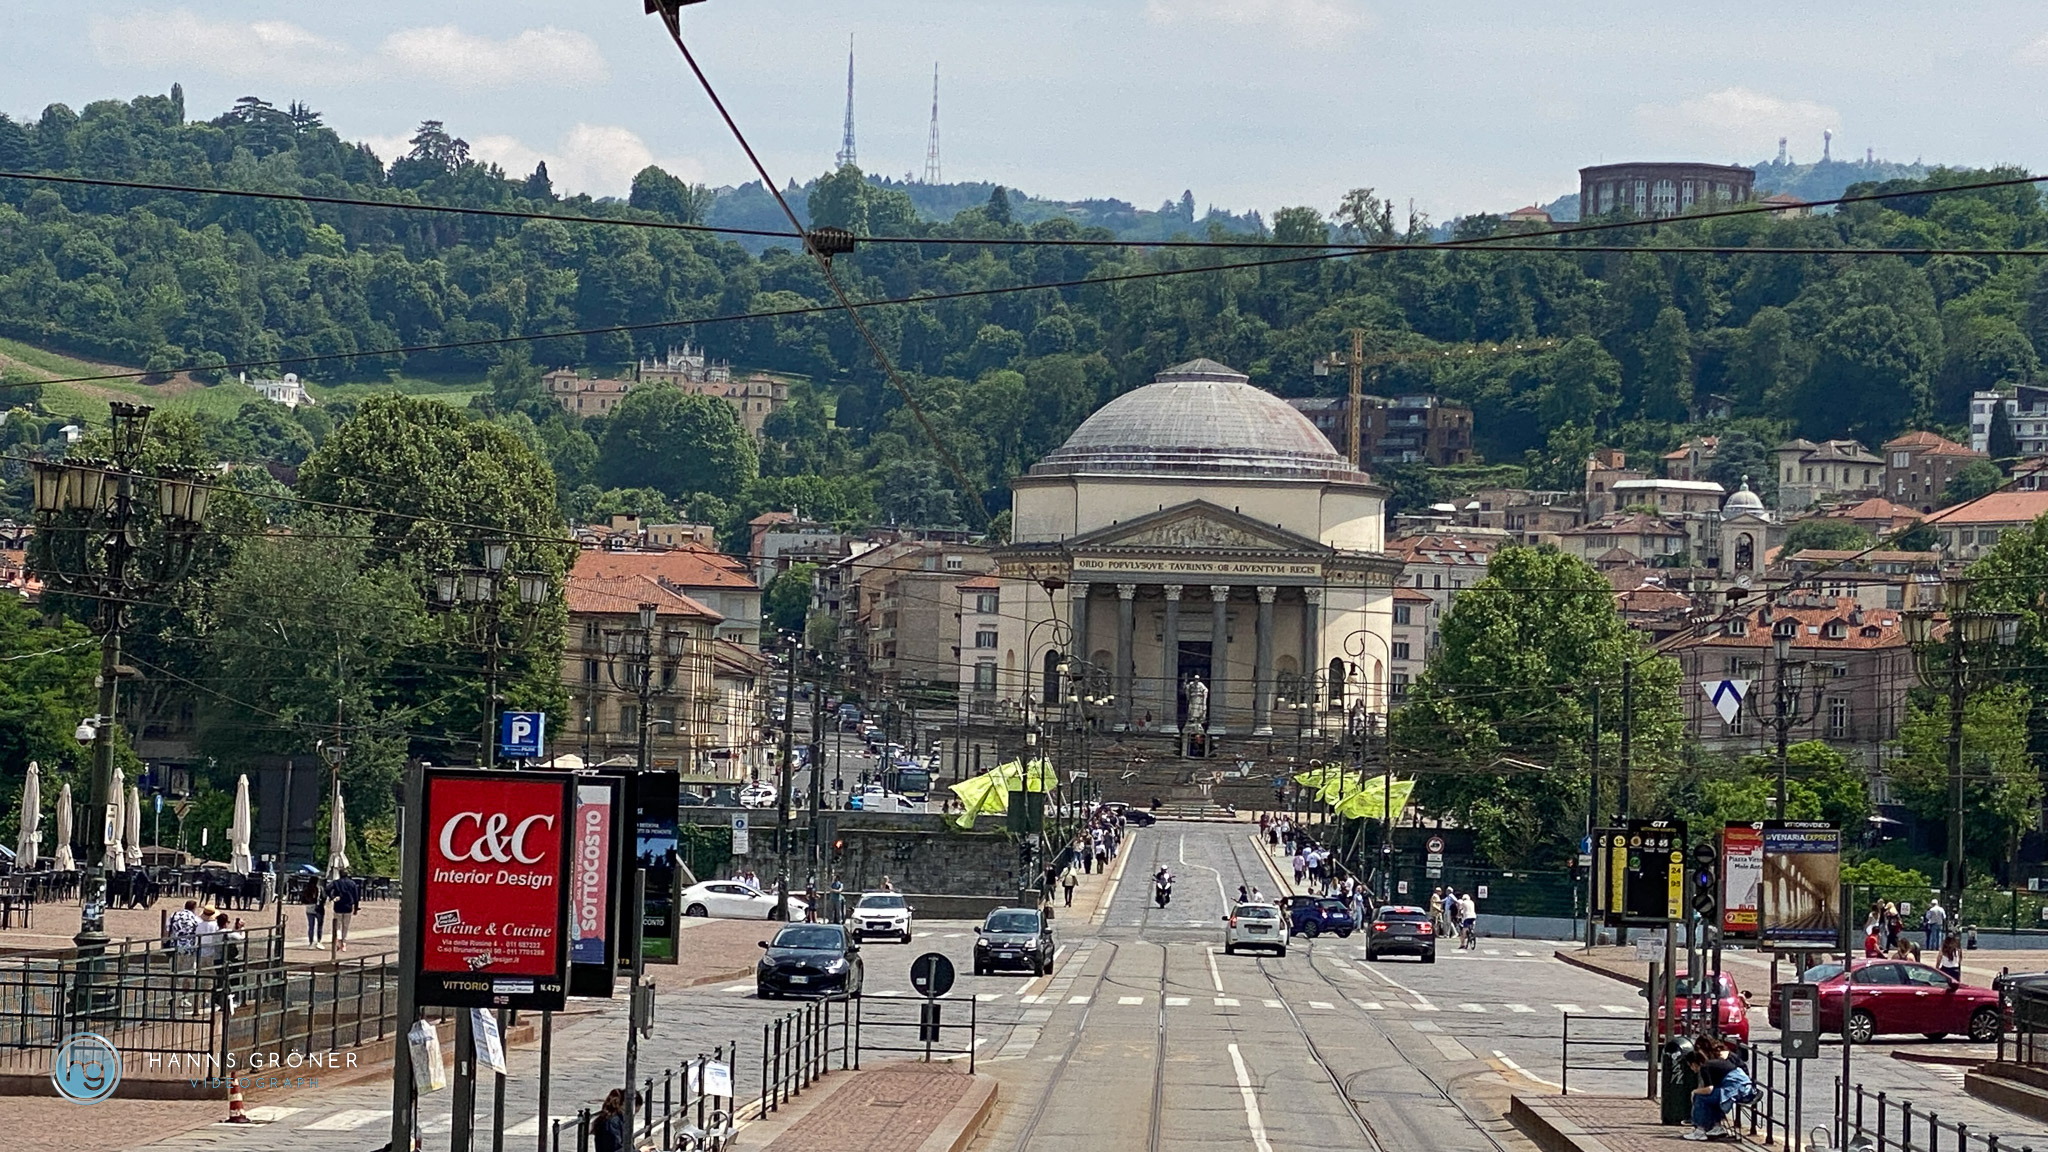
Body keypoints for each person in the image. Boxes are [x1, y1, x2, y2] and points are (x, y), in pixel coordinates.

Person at [1683, 1046, 1755, 1140]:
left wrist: (1694, 1092)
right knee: (1712, 1098)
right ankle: (1717, 1126)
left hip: (1736, 1089)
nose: (1692, 1069)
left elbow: (1709, 1089)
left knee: (1700, 1097)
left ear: (1694, 1064)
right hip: (1745, 1087)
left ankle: (1700, 1130)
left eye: (1690, 1066)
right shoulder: (1711, 1064)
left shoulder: (1705, 1067)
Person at [329, 871, 361, 952]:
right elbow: (356, 897)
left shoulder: (336, 882)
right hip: (348, 906)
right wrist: (356, 908)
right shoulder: (352, 883)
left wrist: (332, 897)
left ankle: (339, 937)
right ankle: (344, 942)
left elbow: (327, 888)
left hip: (338, 905)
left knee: (338, 924)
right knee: (345, 925)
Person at [302, 874, 326, 947]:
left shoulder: (306, 888)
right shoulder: (320, 888)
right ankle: (319, 941)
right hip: (318, 908)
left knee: (311, 926)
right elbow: (324, 897)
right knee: (319, 926)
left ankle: (311, 941)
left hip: (309, 907)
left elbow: (303, 899)